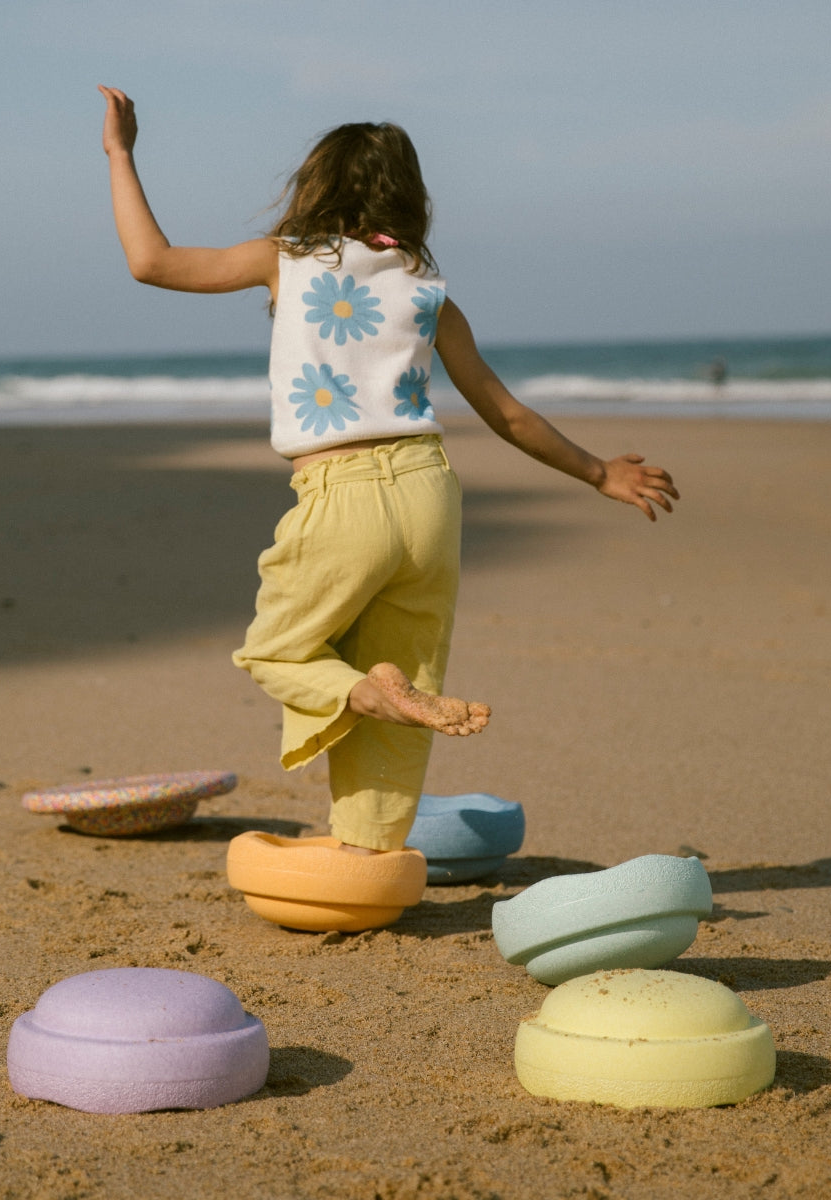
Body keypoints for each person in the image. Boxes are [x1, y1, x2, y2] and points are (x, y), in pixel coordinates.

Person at [98, 86, 678, 857]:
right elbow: (506, 413)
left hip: (343, 497)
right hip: (430, 495)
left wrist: (121, 153)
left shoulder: (286, 259)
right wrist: (599, 471)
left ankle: (365, 693)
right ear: (409, 199)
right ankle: (367, 856)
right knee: (408, 683)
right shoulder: (429, 296)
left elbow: (152, 263)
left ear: (317, 187)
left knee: (280, 651)